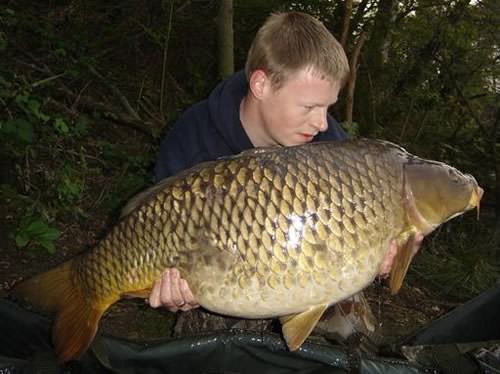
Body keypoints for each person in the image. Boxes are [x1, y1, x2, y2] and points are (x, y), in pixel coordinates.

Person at [148, 11, 421, 332]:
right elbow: (154, 233)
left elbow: (353, 241)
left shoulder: (331, 146)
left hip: (308, 270)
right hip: (228, 278)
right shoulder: (194, 137)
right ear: (261, 84)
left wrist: (381, 258)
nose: (321, 122)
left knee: (351, 324)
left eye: (327, 107)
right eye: (308, 107)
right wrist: (173, 290)